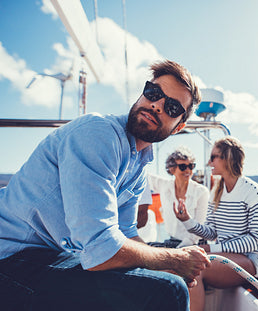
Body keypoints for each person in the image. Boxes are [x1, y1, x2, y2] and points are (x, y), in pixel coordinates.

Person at [0, 59, 211, 310]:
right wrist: (171, 258)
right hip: (11, 259)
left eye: (173, 107)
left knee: (167, 280)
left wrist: (168, 266)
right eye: (153, 93)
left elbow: (126, 234)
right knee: (169, 290)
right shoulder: (98, 134)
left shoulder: (138, 166)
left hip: (48, 256)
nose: (156, 105)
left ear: (179, 127)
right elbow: (102, 250)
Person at [173, 136, 258, 311]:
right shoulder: (217, 191)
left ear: (228, 158)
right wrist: (186, 220)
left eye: (213, 157)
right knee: (179, 263)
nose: (209, 162)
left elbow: (255, 240)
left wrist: (212, 249)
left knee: (194, 268)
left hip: (251, 260)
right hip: (225, 256)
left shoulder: (252, 191)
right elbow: (212, 232)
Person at [148, 146, 210, 248]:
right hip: (172, 242)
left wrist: (178, 251)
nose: (188, 170)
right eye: (182, 167)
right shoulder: (164, 185)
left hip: (195, 244)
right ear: (172, 169)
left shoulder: (201, 192)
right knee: (146, 250)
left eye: (191, 166)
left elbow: (199, 229)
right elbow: (144, 177)